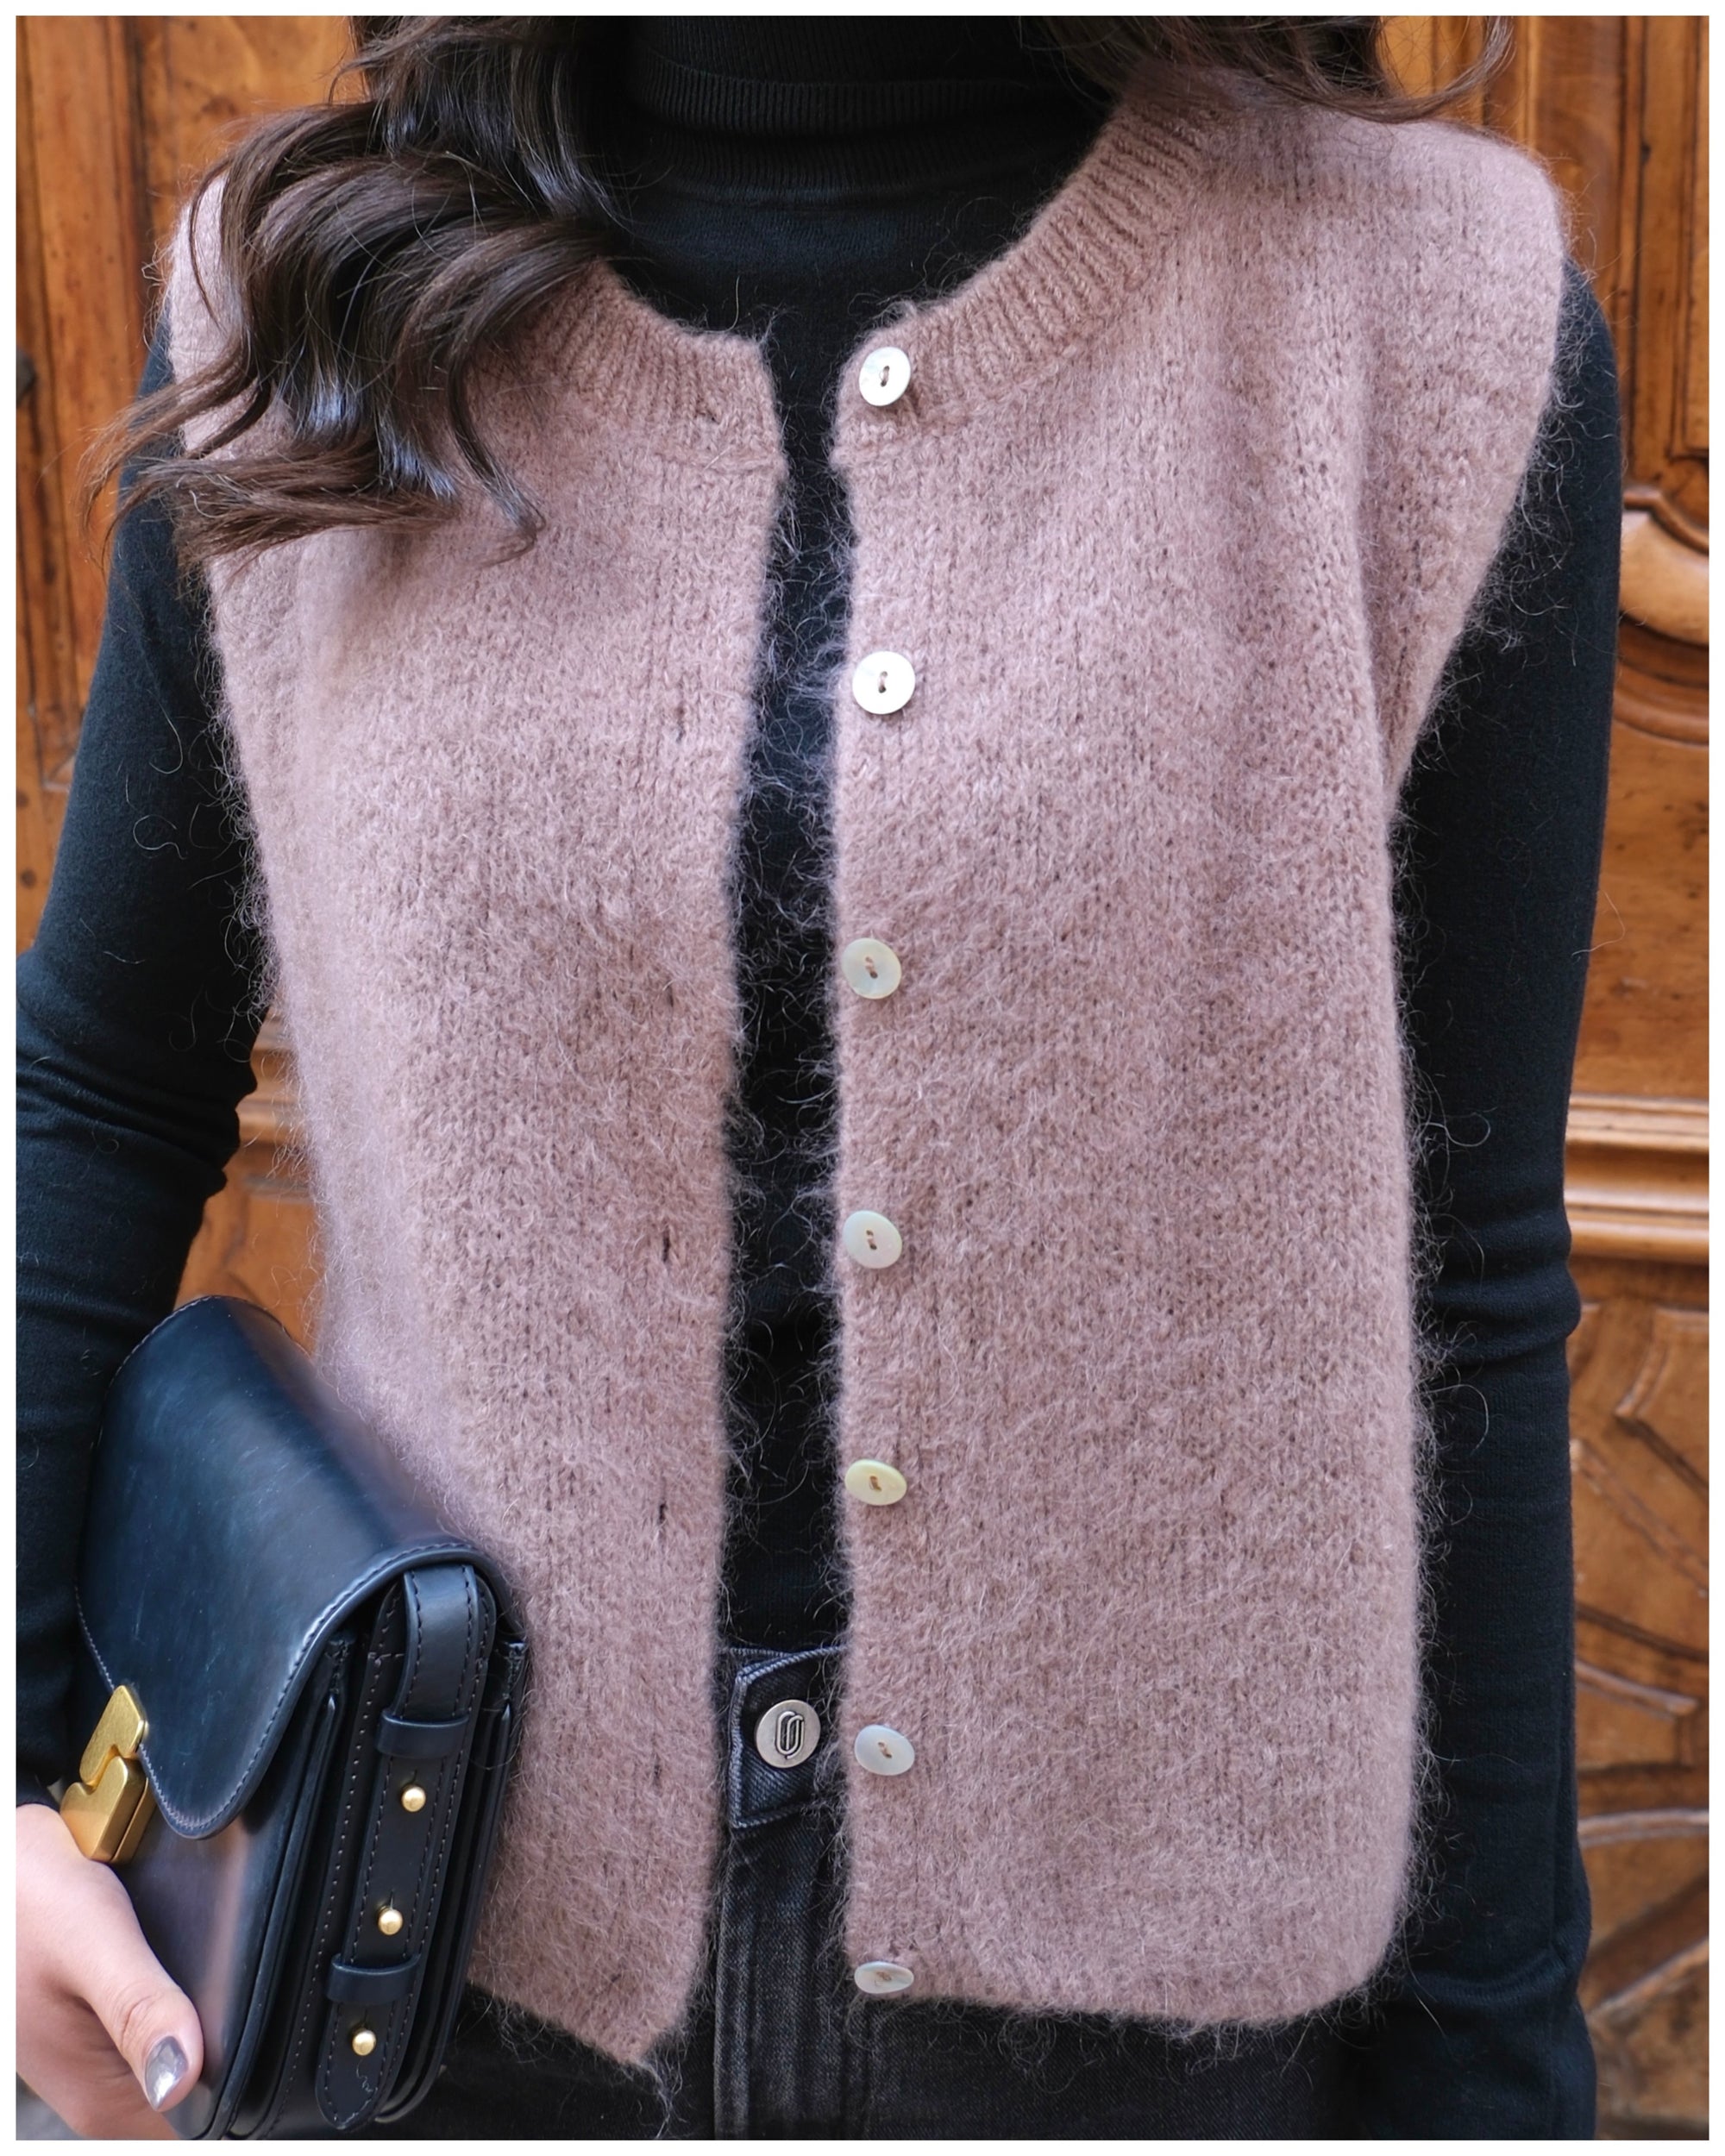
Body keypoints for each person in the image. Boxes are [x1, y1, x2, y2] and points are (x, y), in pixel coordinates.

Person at [18, 17, 1619, 2140]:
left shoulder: (1416, 310)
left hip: (1141, 2029)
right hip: (417, 1946)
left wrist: (1498, 2069)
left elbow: (1469, 1269)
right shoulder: (310, 288)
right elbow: (97, 1093)